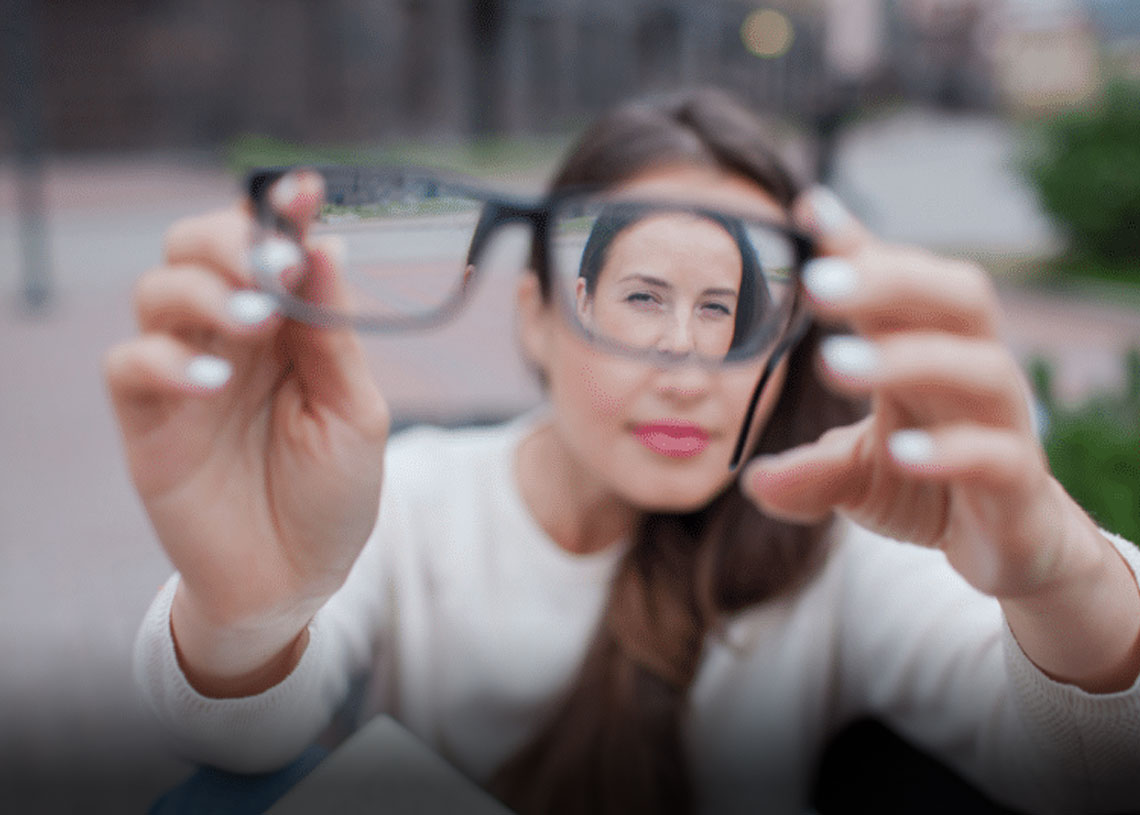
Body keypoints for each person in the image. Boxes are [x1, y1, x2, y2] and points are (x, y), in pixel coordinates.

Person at [106, 89, 1140, 815]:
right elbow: (237, 736)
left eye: (725, 310)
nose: (686, 362)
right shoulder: (412, 499)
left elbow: (1096, 765)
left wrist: (1060, 570)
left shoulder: (826, 535)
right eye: (644, 298)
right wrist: (248, 615)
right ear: (541, 316)